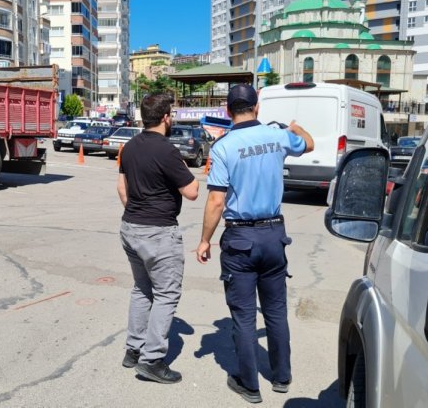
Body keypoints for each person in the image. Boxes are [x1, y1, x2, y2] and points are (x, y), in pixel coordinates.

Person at [195, 84, 314, 403]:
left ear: (227, 110)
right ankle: (282, 377)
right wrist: (295, 127)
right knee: (276, 311)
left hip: (241, 239)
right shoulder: (278, 136)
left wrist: (204, 240)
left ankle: (249, 384)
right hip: (275, 235)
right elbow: (309, 143)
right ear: (256, 106)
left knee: (244, 316)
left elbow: (217, 201)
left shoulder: (223, 147)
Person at [117, 93, 199, 384]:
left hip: (131, 227)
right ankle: (152, 360)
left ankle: (134, 349)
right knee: (166, 294)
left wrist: (137, 212)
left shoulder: (128, 147)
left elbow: (122, 188)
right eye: (172, 114)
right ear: (165, 117)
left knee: (141, 288)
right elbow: (191, 191)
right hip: (158, 231)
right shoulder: (167, 150)